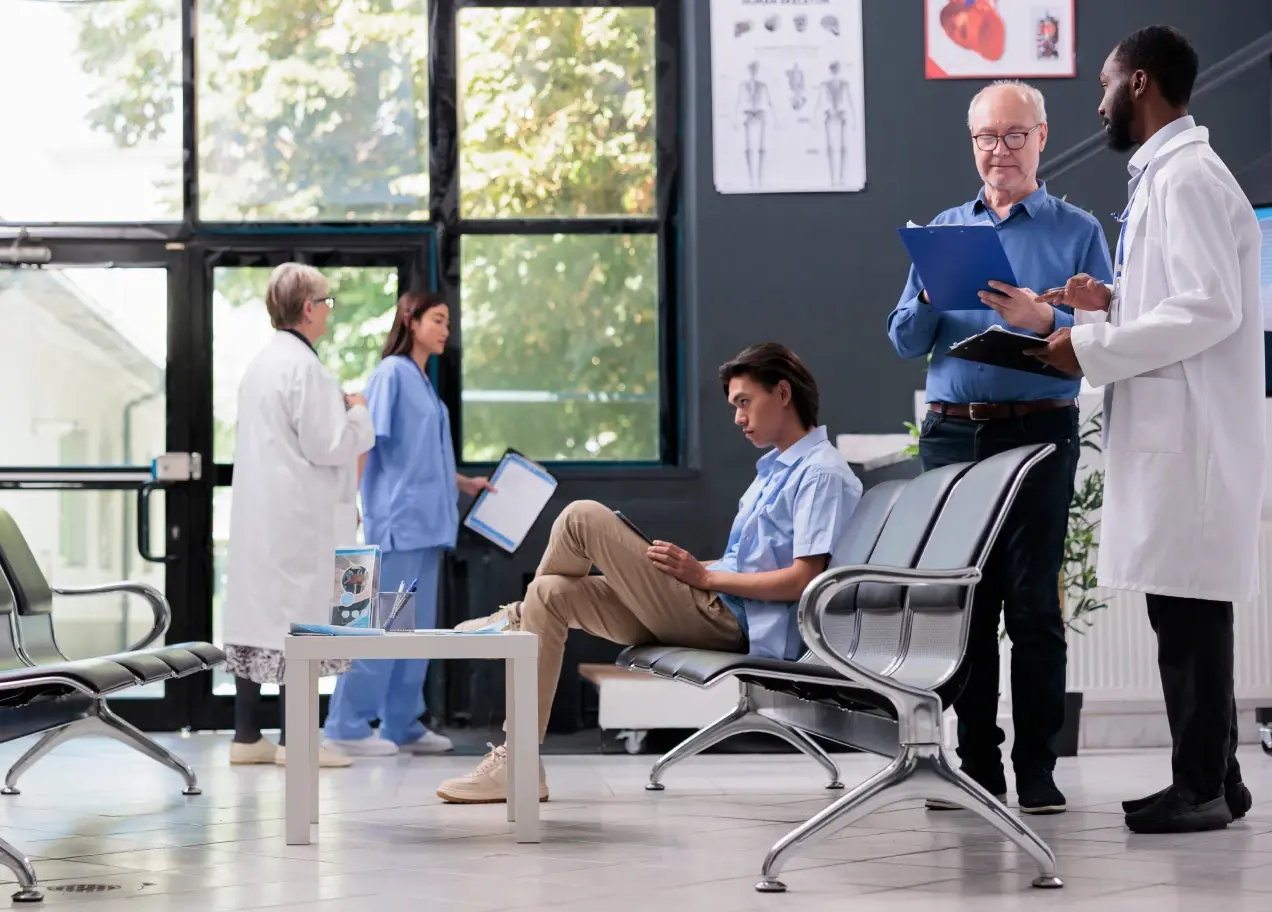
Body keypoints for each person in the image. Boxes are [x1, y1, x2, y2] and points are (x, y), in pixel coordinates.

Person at [436, 343, 862, 804]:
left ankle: (515, 619)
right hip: (712, 604)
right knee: (552, 593)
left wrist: (705, 578)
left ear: (782, 393)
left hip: (733, 622)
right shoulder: (775, 471)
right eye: (734, 406)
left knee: (581, 517)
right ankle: (518, 762)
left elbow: (806, 581)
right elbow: (753, 562)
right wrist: (698, 571)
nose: (738, 417)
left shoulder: (821, 474)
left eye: (744, 402)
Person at [1031, 25, 1264, 834]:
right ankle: (1220, 781)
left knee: (1190, 620)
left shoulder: (1189, 178)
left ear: (1138, 84)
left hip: (1191, 443)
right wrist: (1114, 301)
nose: (1096, 101)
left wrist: (1087, 345)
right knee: (1187, 613)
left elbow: (1208, 307)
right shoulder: (1172, 176)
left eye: (1104, 84)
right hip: (1182, 434)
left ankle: (1199, 786)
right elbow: (1183, 295)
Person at [887, 80, 1113, 816]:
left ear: (1042, 138)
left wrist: (1042, 314)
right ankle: (977, 765)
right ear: (972, 143)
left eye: (1015, 135)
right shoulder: (945, 230)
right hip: (953, 430)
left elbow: (1105, 338)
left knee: (1035, 608)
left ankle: (1038, 769)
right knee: (965, 603)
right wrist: (927, 290)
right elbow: (904, 341)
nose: (1000, 150)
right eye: (987, 136)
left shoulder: (1077, 230)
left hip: (1038, 428)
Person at [323, 292, 492, 757]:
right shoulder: (392, 374)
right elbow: (366, 439)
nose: (445, 330)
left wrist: (464, 483)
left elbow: (421, 455)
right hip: (395, 524)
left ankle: (401, 722)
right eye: (438, 320)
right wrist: (351, 498)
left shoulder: (421, 381)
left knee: (411, 632)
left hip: (428, 525)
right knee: (378, 626)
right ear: (410, 320)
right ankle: (347, 726)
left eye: (448, 324)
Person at [223, 262, 375, 769]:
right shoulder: (306, 370)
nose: (329, 312)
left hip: (264, 514)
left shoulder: (262, 365)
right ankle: (297, 742)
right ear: (308, 308)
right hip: (297, 519)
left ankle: (248, 737)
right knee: (300, 625)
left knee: (259, 619)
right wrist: (356, 411)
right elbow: (327, 445)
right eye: (327, 302)